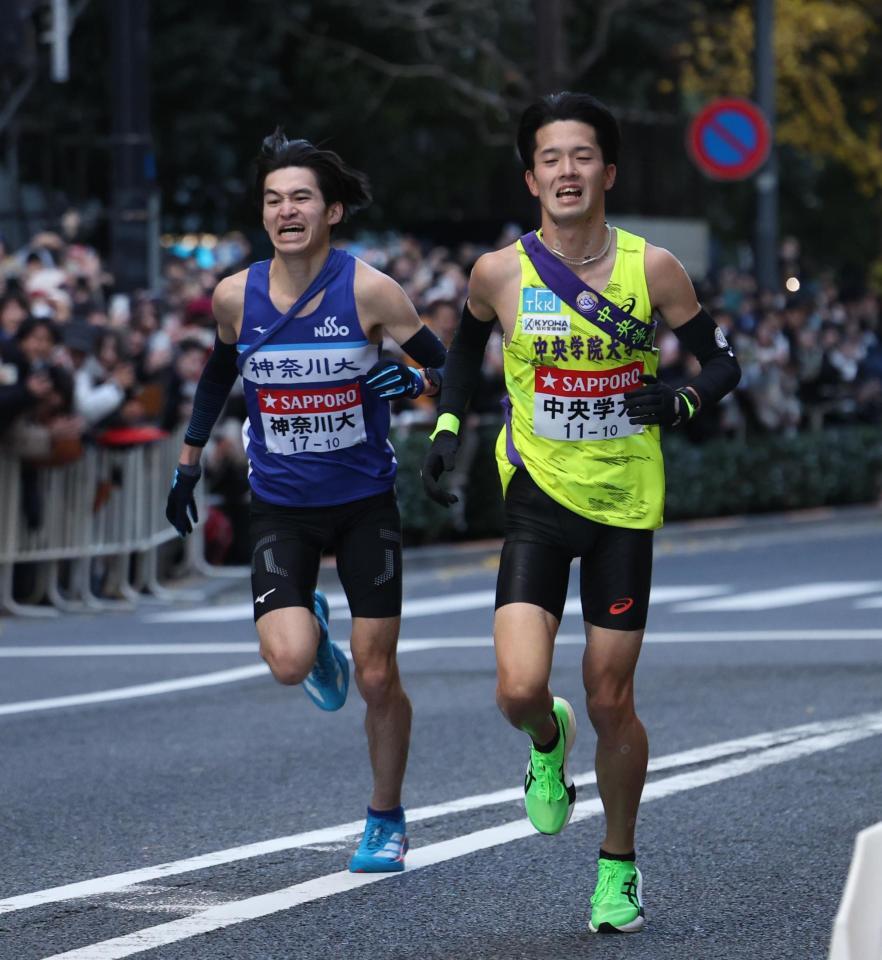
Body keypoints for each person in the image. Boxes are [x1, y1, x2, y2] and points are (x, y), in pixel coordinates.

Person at [422, 92, 740, 933]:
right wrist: (450, 426)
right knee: (520, 686)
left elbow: (722, 364)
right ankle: (544, 739)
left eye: (582, 156)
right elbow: (463, 352)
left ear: (607, 170)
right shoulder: (499, 272)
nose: (568, 171)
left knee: (611, 699)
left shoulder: (654, 268)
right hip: (535, 498)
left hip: (623, 506)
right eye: (551, 158)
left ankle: (618, 867)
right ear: (532, 176)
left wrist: (680, 402)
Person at [166, 131, 447, 873]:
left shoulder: (371, 291)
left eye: (301, 199)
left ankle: (385, 819)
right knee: (290, 663)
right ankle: (314, 637)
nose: (286, 211)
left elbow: (449, 372)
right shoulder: (236, 295)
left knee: (378, 675)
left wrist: (413, 383)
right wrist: (188, 463)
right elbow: (218, 376)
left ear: (332, 211)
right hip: (281, 506)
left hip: (363, 502)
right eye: (273, 200)